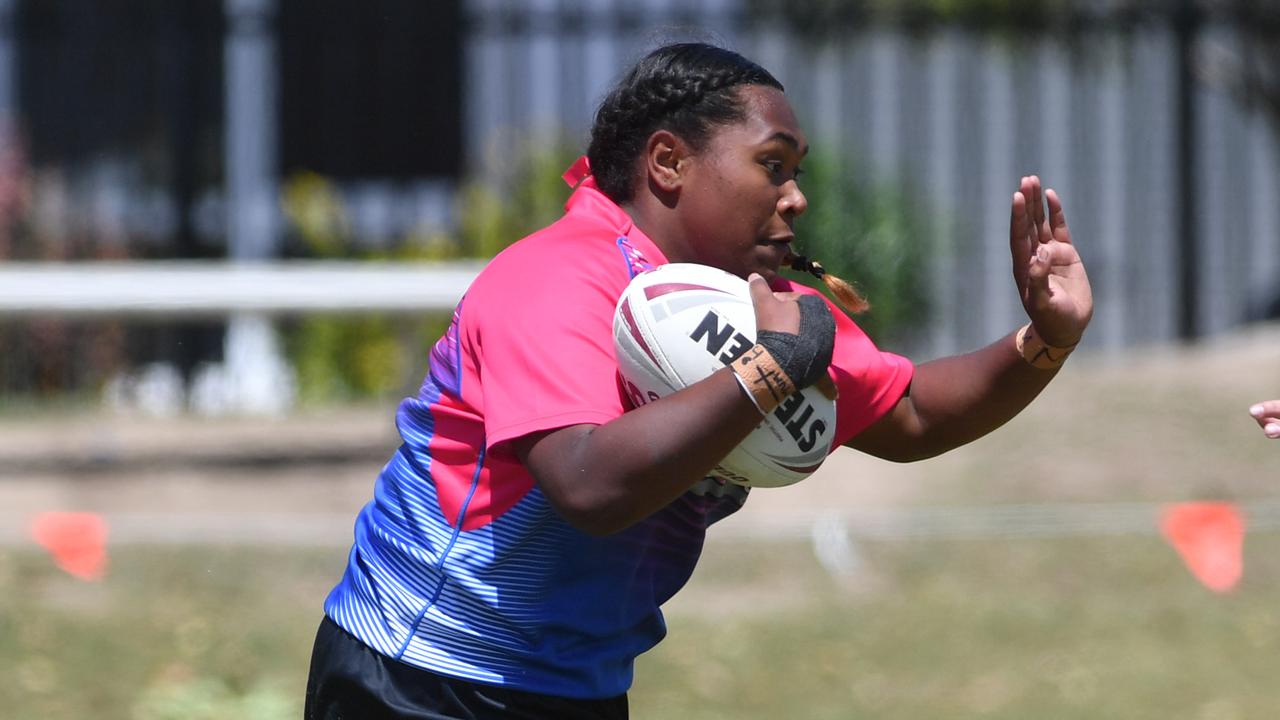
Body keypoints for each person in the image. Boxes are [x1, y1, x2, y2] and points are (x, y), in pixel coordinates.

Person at [304, 42, 1094, 719]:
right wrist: (767, 372)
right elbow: (588, 488)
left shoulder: (766, 309)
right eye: (771, 164)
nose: (797, 194)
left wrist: (1043, 340)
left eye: (796, 170)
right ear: (669, 162)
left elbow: (912, 412)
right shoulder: (555, 280)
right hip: (420, 672)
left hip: (578, 685)